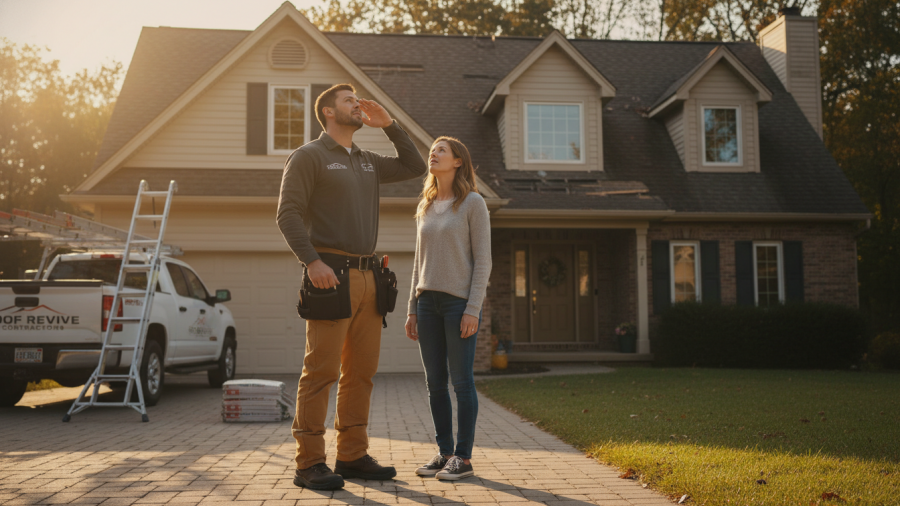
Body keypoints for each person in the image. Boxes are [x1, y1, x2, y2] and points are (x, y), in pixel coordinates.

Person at [277, 84, 426, 490]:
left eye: (357, 101)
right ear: (327, 112)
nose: (357, 105)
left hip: (369, 277)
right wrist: (312, 262)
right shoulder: (309, 156)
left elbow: (415, 166)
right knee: (321, 371)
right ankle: (308, 462)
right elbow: (287, 214)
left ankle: (353, 455)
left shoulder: (366, 160)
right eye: (348, 101)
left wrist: (390, 125)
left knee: (361, 372)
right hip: (330, 275)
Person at [404, 136, 491, 480]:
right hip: (426, 303)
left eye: (441, 150)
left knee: (462, 382)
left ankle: (464, 458)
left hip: (458, 304)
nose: (433, 154)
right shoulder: (424, 206)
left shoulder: (473, 203)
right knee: (435, 383)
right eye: (432, 151)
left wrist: (473, 308)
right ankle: (444, 452)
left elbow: (483, 260)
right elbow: (417, 261)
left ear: (458, 161)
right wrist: (412, 307)